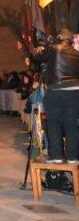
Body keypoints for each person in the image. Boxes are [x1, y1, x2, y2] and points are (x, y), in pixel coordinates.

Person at [32, 29, 79, 164]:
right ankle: (72, 157)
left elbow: (37, 55)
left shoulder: (55, 49)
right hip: (75, 91)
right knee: (71, 124)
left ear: (59, 37)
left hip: (57, 90)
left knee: (54, 122)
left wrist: (43, 46)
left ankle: (57, 155)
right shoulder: (76, 53)